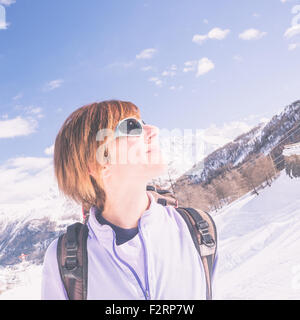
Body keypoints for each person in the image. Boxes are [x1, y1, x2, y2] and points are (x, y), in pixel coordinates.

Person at [41, 100, 216, 300]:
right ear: (96, 163)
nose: (153, 130)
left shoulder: (198, 229)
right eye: (132, 127)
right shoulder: (64, 262)